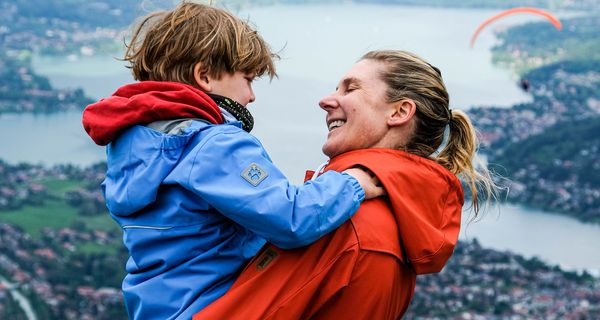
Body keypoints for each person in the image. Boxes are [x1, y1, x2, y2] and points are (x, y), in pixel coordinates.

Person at [81, 3, 383, 320]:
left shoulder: (134, 143)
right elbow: (291, 218)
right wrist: (352, 183)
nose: (251, 96)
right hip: (214, 306)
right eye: (248, 79)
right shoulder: (212, 145)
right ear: (205, 75)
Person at [194, 50, 498, 320]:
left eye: (350, 88)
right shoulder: (384, 216)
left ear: (399, 112)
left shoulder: (345, 223)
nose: (325, 100)